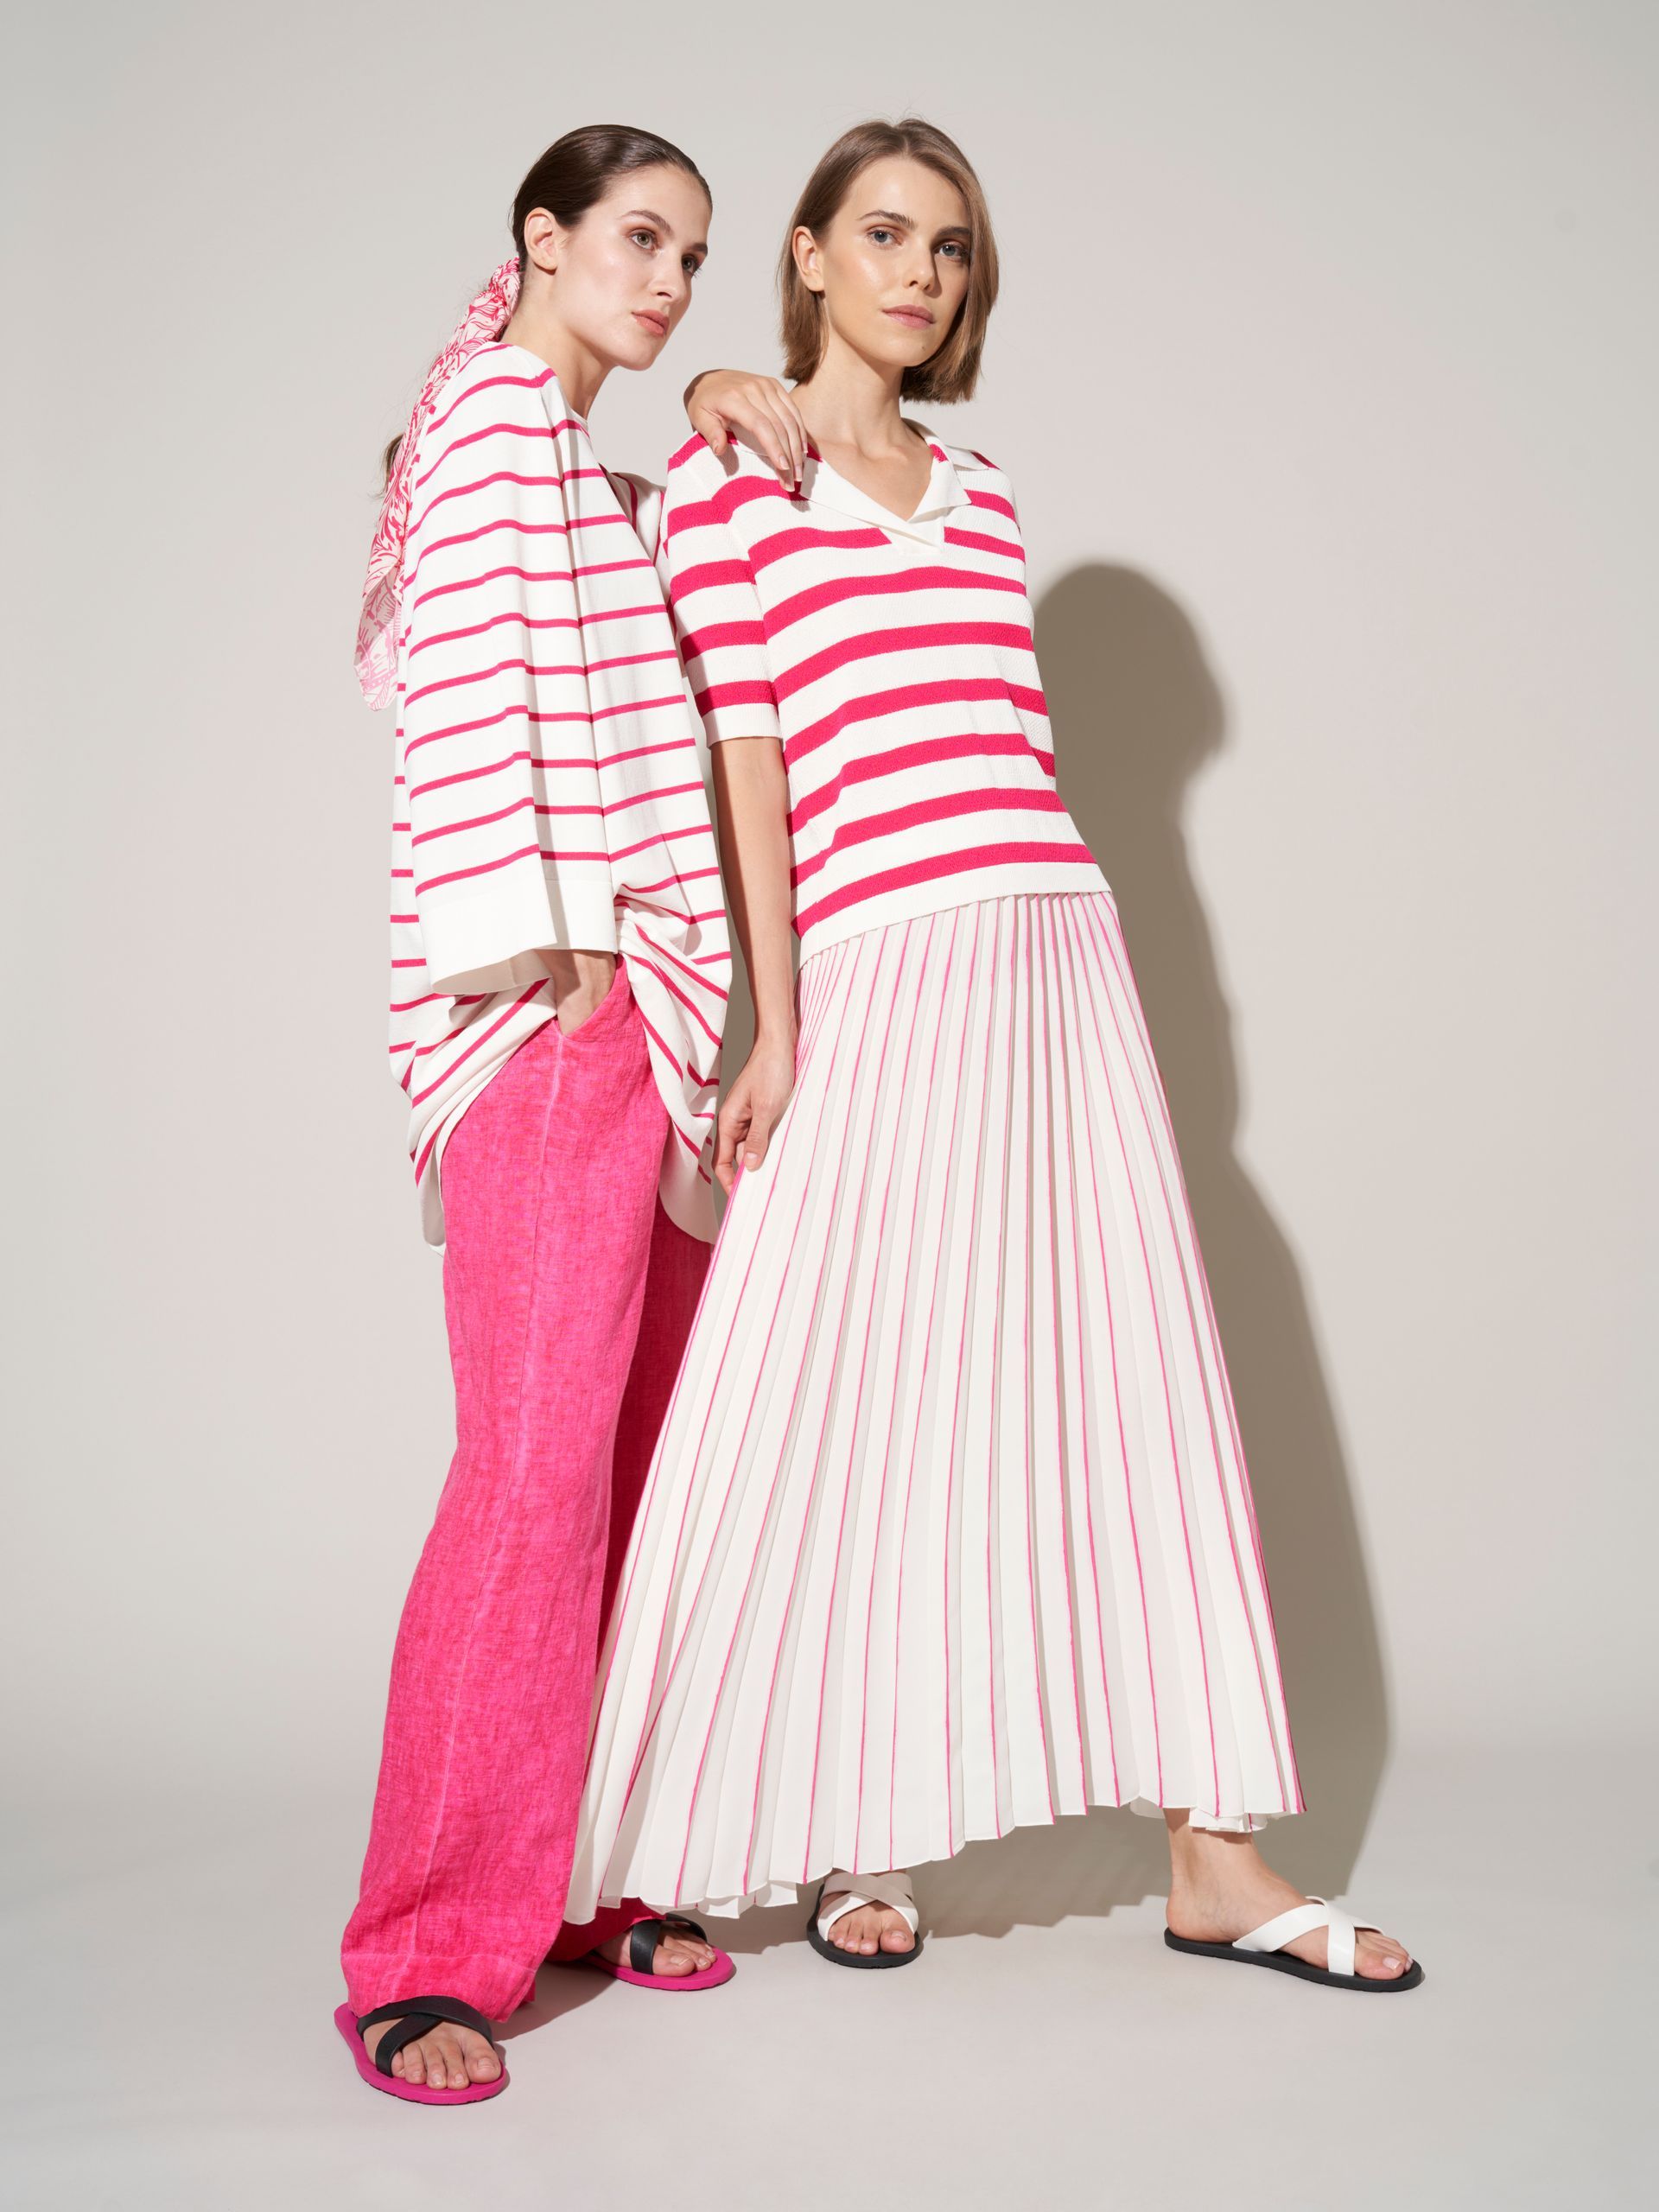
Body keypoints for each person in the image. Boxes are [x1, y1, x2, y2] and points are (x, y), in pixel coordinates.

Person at [567, 117, 1421, 1996]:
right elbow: (748, 762)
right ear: (806, 253)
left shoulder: (984, 488)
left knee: (1136, 1388)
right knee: (866, 1388)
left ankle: (1215, 1848)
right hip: (880, 965)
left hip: (1061, 954)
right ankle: (848, 1823)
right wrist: (778, 1023)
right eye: (882, 234)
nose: (919, 273)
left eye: (948, 247)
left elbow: (1009, 750)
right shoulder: (718, 475)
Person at [336, 123, 817, 2108]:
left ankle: (587, 1876)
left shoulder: (572, 465)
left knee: (634, 1476)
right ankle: (427, 1948)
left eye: (693, 255)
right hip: (552, 1020)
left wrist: (706, 404)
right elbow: (465, 691)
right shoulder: (486, 424)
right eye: (638, 238)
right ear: (539, 239)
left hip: (646, 1036)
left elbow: (662, 574)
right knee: (533, 1481)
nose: (671, 280)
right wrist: (550, 958)